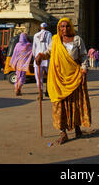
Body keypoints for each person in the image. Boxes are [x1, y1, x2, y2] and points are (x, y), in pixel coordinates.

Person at [35, 17, 91, 145]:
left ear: (71, 27)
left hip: (74, 76)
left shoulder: (77, 40)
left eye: (67, 26)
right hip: (58, 78)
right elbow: (48, 52)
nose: (64, 29)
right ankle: (63, 132)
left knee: (74, 104)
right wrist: (41, 56)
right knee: (59, 105)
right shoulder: (55, 40)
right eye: (62, 26)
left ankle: (77, 127)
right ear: (58, 28)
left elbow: (83, 56)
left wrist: (83, 70)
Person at [32, 22, 52, 100]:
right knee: (50, 77)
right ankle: (48, 91)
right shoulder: (49, 34)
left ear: (40, 28)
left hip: (38, 59)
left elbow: (34, 48)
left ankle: (40, 93)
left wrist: (34, 57)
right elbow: (51, 46)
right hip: (47, 58)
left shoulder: (35, 35)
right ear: (46, 28)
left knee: (38, 78)